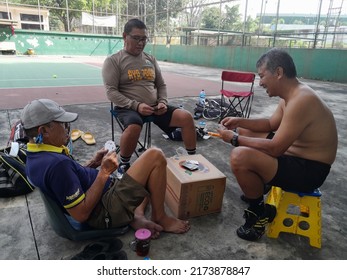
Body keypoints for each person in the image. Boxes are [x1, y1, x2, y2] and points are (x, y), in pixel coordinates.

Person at [21, 99, 190, 238]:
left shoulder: (36, 155)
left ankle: (135, 216)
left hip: (105, 195)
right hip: (104, 211)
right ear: (44, 131)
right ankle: (159, 217)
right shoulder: (57, 165)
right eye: (62, 124)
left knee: (148, 183)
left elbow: (68, 180)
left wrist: (93, 164)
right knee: (155, 155)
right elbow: (80, 215)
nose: (67, 129)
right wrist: (103, 173)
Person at [217, 48, 338, 241]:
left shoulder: (302, 100)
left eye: (262, 76)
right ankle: (261, 185)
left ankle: (259, 213)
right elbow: (270, 124)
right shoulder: (291, 95)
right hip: (295, 156)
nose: (260, 82)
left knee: (239, 156)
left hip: (309, 170)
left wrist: (234, 138)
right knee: (246, 131)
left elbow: (275, 148)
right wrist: (239, 121)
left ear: (279, 73)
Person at [102, 18, 197, 175]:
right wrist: (136, 106)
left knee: (186, 117)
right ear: (124, 36)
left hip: (155, 108)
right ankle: (124, 165)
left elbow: (161, 85)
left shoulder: (150, 59)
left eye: (144, 39)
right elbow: (111, 92)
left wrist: (162, 102)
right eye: (136, 38)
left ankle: (193, 160)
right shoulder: (113, 61)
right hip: (128, 108)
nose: (141, 43)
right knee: (134, 126)